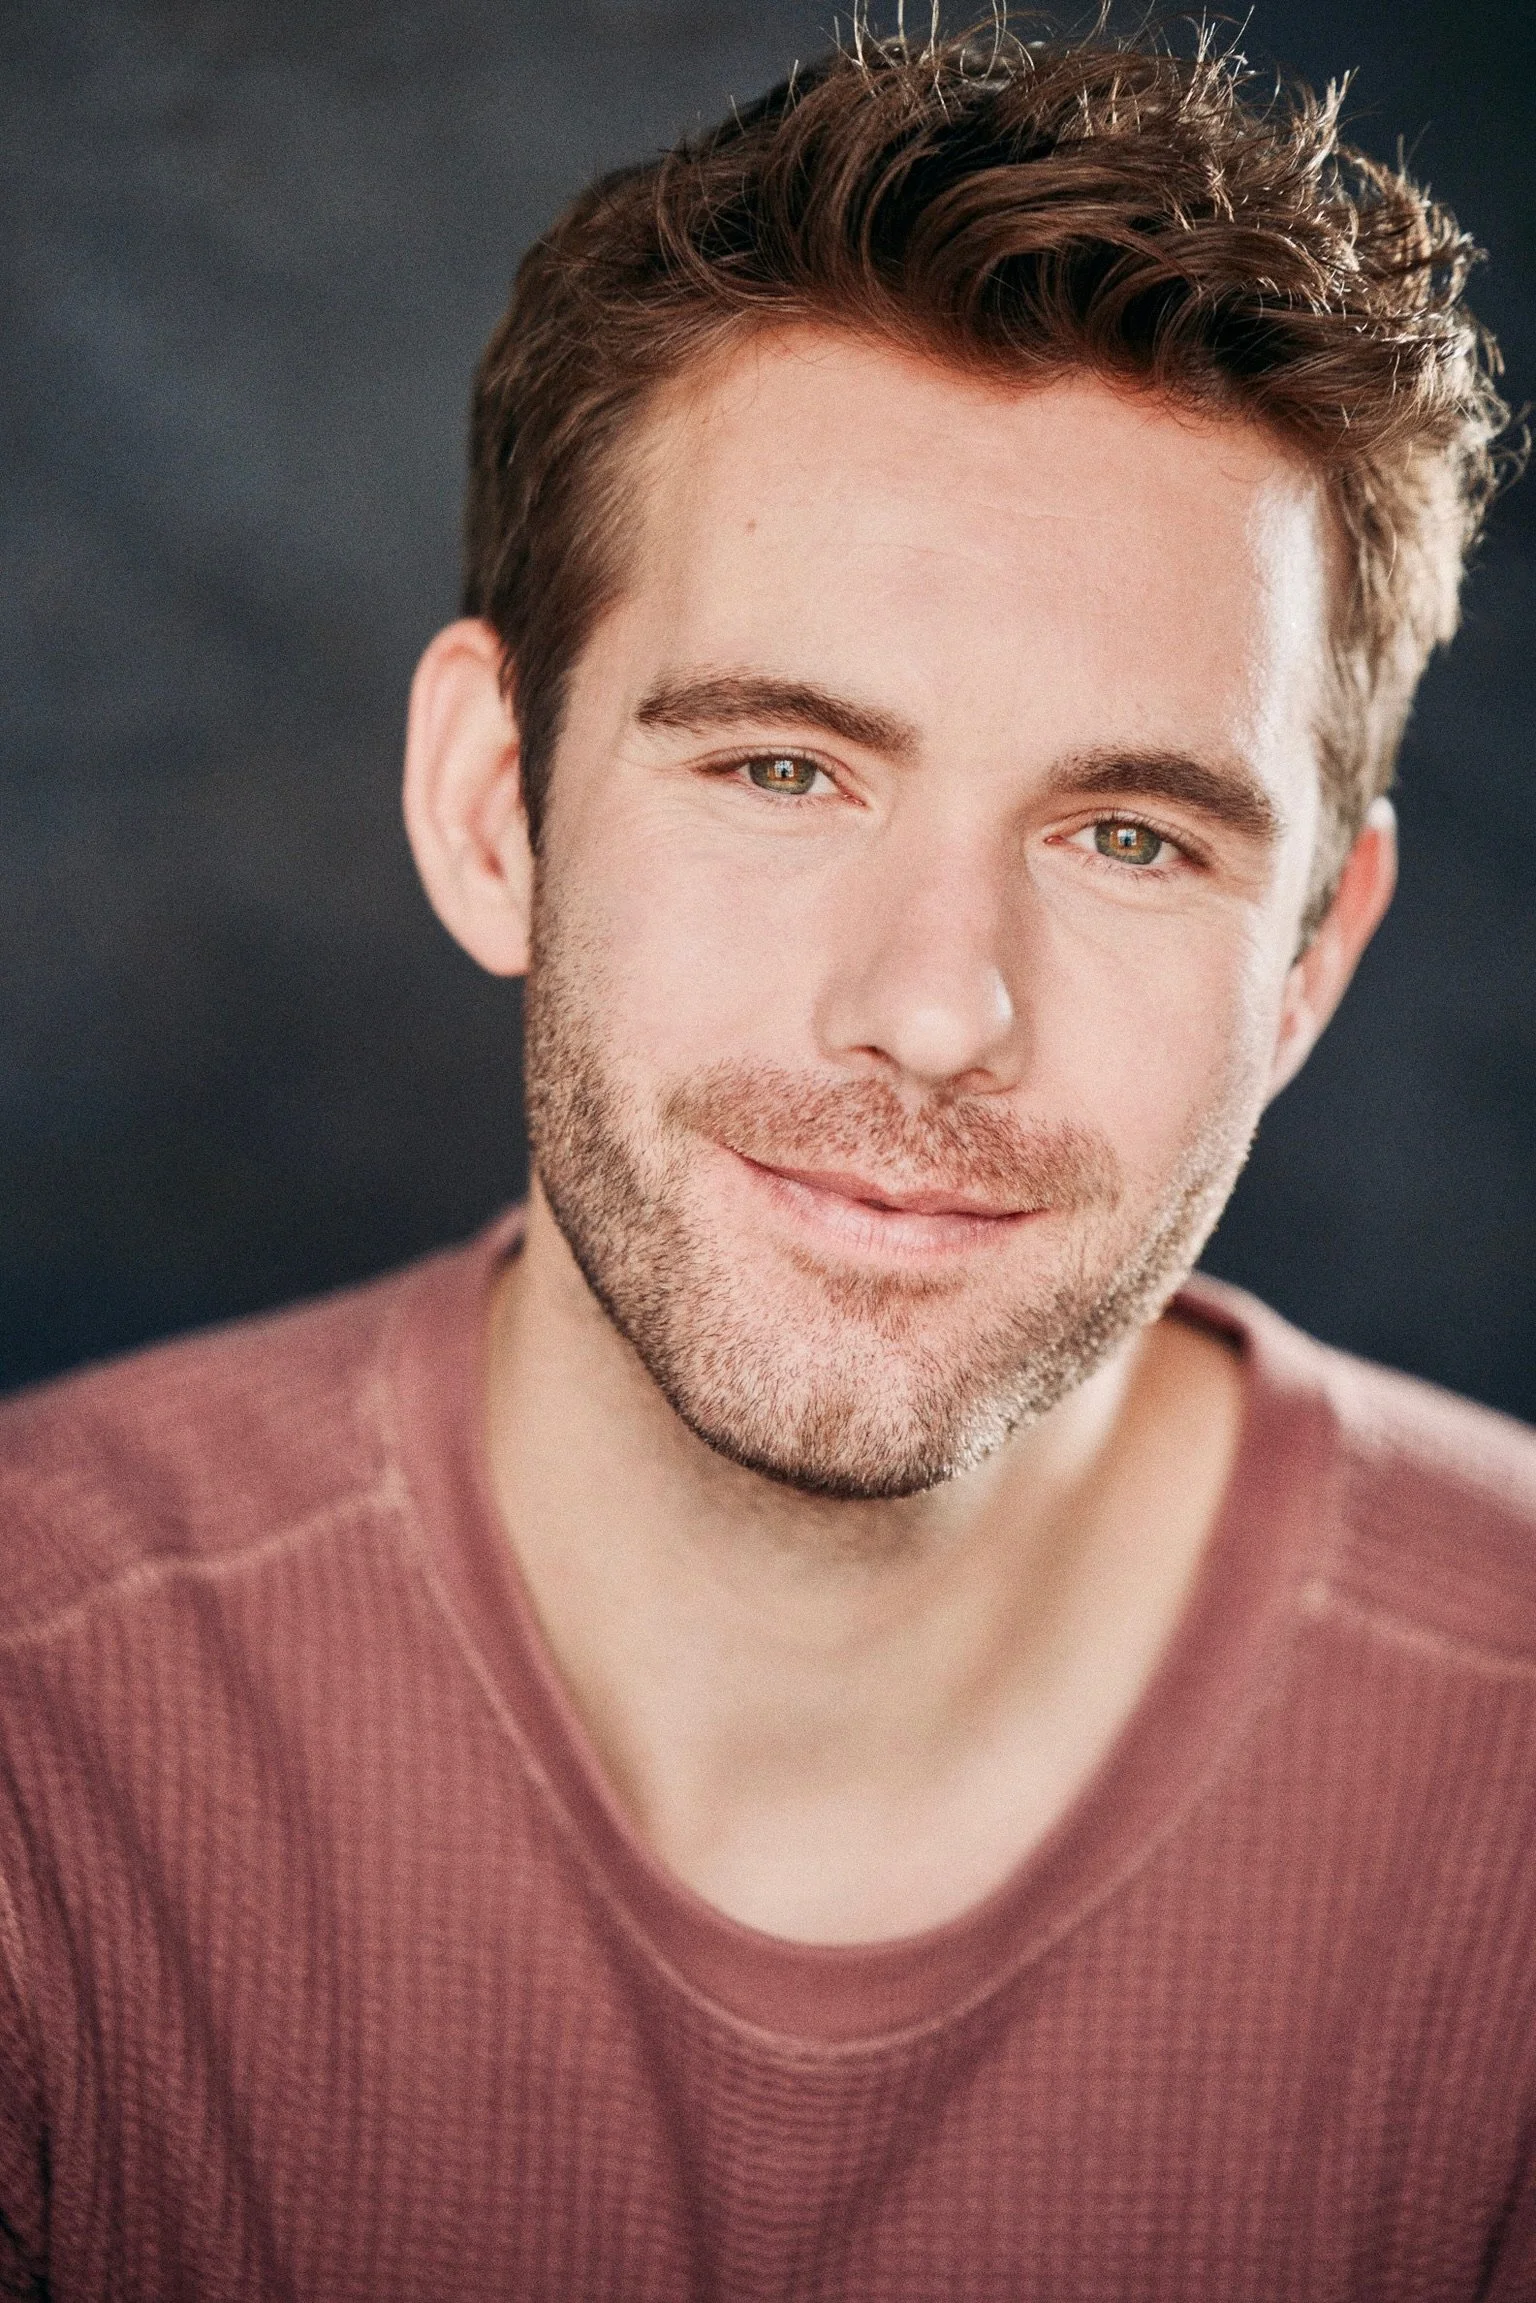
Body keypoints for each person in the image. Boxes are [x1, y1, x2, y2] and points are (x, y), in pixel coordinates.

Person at [1, 21, 1532, 2300]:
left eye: (1130, 834)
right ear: (495, 807)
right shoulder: (40, 1724)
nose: (934, 1007)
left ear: (1311, 957)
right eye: (784, 770)